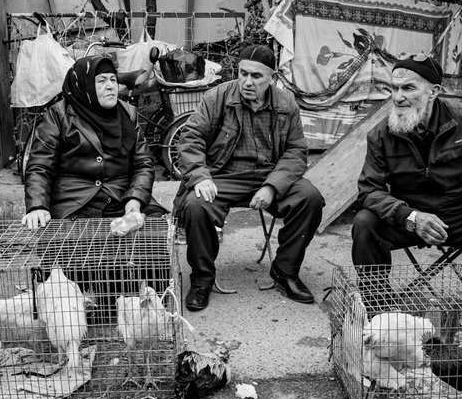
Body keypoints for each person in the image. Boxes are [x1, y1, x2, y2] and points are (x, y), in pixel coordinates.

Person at [349, 54, 462, 316]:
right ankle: (380, 311)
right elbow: (369, 190)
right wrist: (410, 217)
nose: (397, 97)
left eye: (408, 88)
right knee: (365, 223)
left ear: (434, 91)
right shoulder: (382, 134)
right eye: (394, 88)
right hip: (410, 217)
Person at [175, 44, 325, 311]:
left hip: (269, 175)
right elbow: (191, 139)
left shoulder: (286, 103)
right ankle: (201, 278)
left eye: (256, 76)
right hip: (223, 175)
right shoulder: (217, 97)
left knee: (310, 198)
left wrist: (272, 187)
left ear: (272, 77)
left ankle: (285, 271)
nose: (247, 81)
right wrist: (200, 177)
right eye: (243, 73)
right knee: (196, 205)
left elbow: (295, 151)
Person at [22, 55, 163, 228]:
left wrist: (135, 198)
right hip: (75, 201)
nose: (110, 86)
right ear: (85, 85)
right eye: (101, 81)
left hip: (121, 197)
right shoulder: (59, 115)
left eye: (113, 79)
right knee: (70, 246)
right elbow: (40, 166)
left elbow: (143, 163)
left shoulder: (128, 113)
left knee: (157, 229)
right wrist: (37, 206)